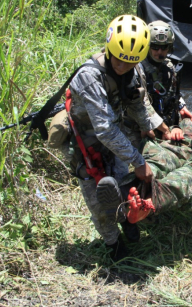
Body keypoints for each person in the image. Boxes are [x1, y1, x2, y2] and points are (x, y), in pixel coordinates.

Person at [66, 14, 173, 260]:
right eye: (119, 61)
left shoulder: (131, 69)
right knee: (97, 198)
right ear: (109, 49)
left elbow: (136, 102)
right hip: (87, 141)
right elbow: (103, 129)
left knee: (121, 184)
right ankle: (113, 244)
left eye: (131, 63)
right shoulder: (89, 76)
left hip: (116, 135)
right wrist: (138, 160)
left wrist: (148, 127)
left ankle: (126, 219)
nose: (123, 67)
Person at [124, 20, 192, 146]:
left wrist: (182, 106)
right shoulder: (137, 68)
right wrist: (165, 129)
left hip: (163, 123)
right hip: (141, 126)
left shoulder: (169, 66)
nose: (159, 52)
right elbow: (141, 104)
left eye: (164, 47)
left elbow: (172, 92)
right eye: (155, 47)